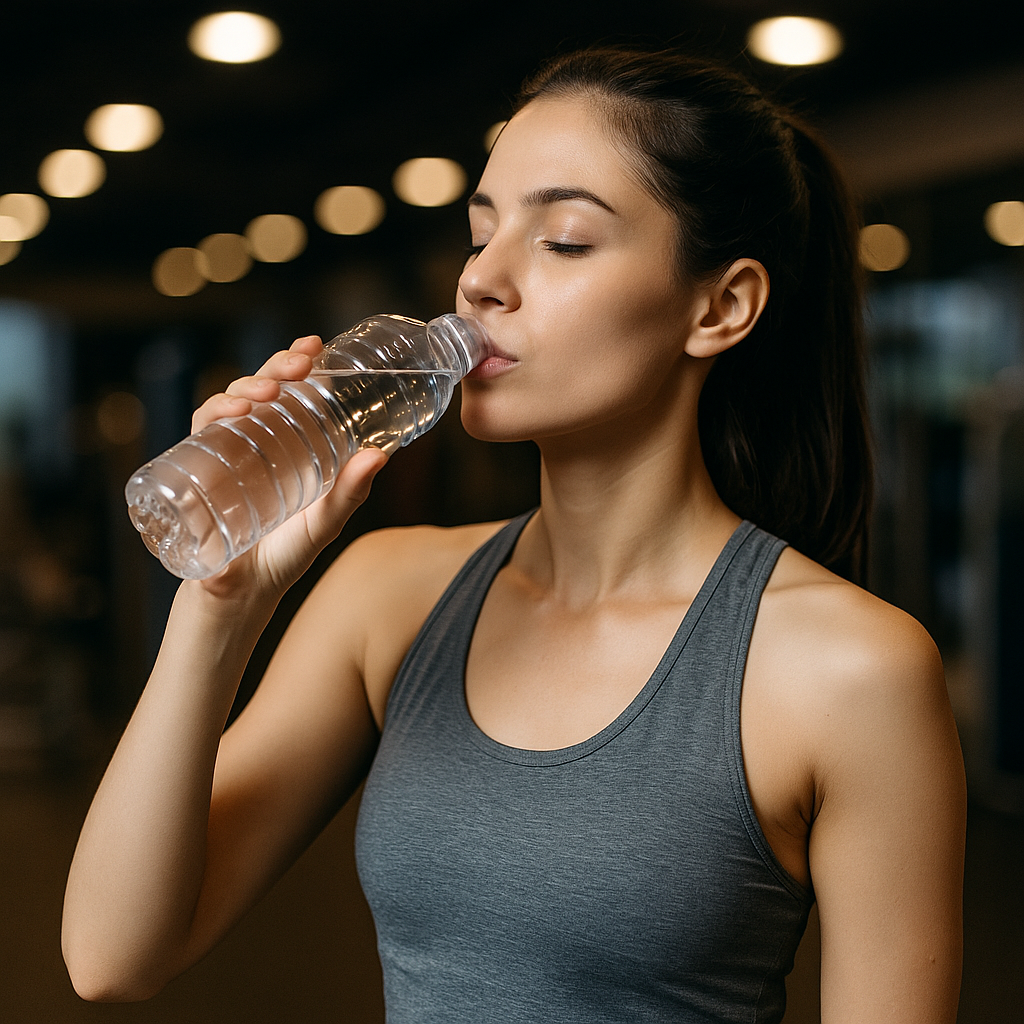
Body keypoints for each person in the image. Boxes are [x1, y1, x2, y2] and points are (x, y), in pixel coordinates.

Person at [62, 46, 966, 1023]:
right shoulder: (389, 594)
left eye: (564, 240)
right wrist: (218, 604)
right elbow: (112, 955)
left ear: (720, 306)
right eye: (480, 233)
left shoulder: (848, 669)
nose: (482, 283)